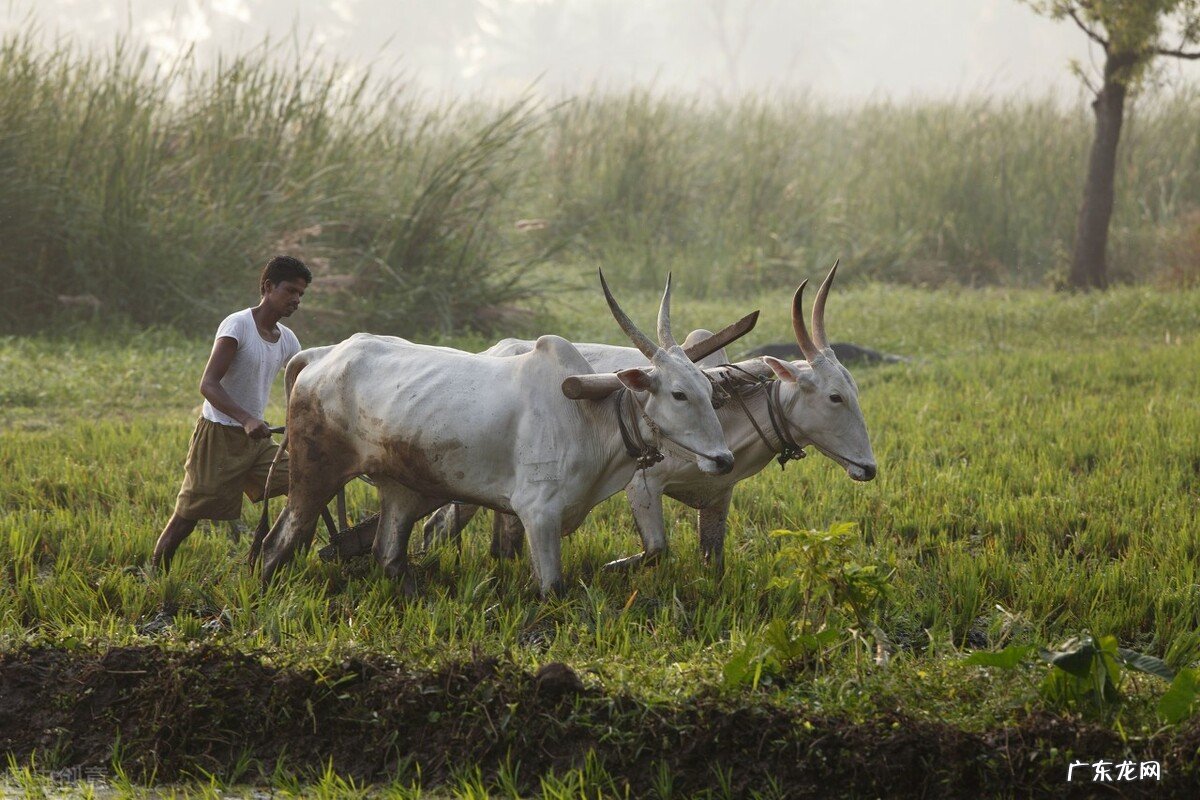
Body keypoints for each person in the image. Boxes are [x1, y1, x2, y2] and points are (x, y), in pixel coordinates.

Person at [151, 255, 311, 571]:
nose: (295, 300)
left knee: (302, 482)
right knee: (190, 512)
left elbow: (301, 391)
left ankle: (274, 553)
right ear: (267, 287)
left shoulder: (288, 340)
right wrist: (247, 418)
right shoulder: (238, 325)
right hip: (219, 435)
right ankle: (156, 569)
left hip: (256, 442)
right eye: (290, 291)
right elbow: (208, 384)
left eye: (300, 295)